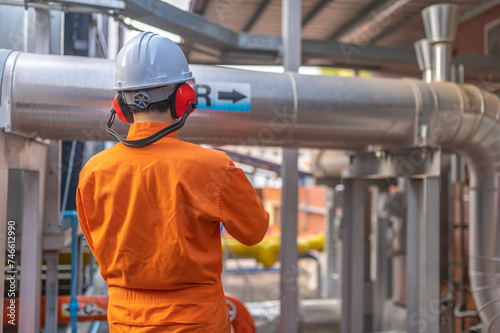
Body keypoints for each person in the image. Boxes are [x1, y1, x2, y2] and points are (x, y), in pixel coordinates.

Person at [76, 32, 269, 333]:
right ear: (185, 98)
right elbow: (254, 231)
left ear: (121, 105)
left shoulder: (93, 172)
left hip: (126, 323)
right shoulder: (214, 168)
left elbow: (96, 240)